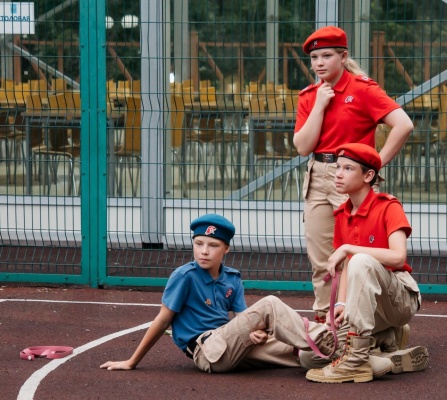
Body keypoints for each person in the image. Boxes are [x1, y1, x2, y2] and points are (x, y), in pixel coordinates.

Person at [100, 214, 336, 373]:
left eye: (212, 245)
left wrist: (259, 334)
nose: (204, 251)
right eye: (199, 244)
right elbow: (162, 321)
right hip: (209, 351)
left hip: (231, 346)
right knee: (270, 303)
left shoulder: (232, 278)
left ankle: (343, 352)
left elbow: (246, 320)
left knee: (298, 351)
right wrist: (132, 361)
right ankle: (326, 340)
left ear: (226, 249)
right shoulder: (184, 276)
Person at [292, 26, 414, 324]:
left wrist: (375, 164)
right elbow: (303, 146)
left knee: (360, 255)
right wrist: (320, 105)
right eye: (314, 58)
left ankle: (363, 323)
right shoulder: (310, 96)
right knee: (321, 260)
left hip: (353, 175)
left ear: (343, 57)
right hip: (318, 174)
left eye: (327, 56)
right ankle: (326, 323)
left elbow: (404, 125)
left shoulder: (363, 89)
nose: (319, 63)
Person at [303, 143, 429, 383]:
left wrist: (349, 248)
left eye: (348, 168)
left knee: (360, 260)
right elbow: (345, 268)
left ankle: (356, 360)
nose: (338, 174)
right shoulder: (342, 214)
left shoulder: (389, 206)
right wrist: (341, 303)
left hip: (398, 299)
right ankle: (385, 345)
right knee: (310, 356)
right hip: (364, 303)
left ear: (368, 175)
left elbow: (398, 257)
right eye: (338, 167)